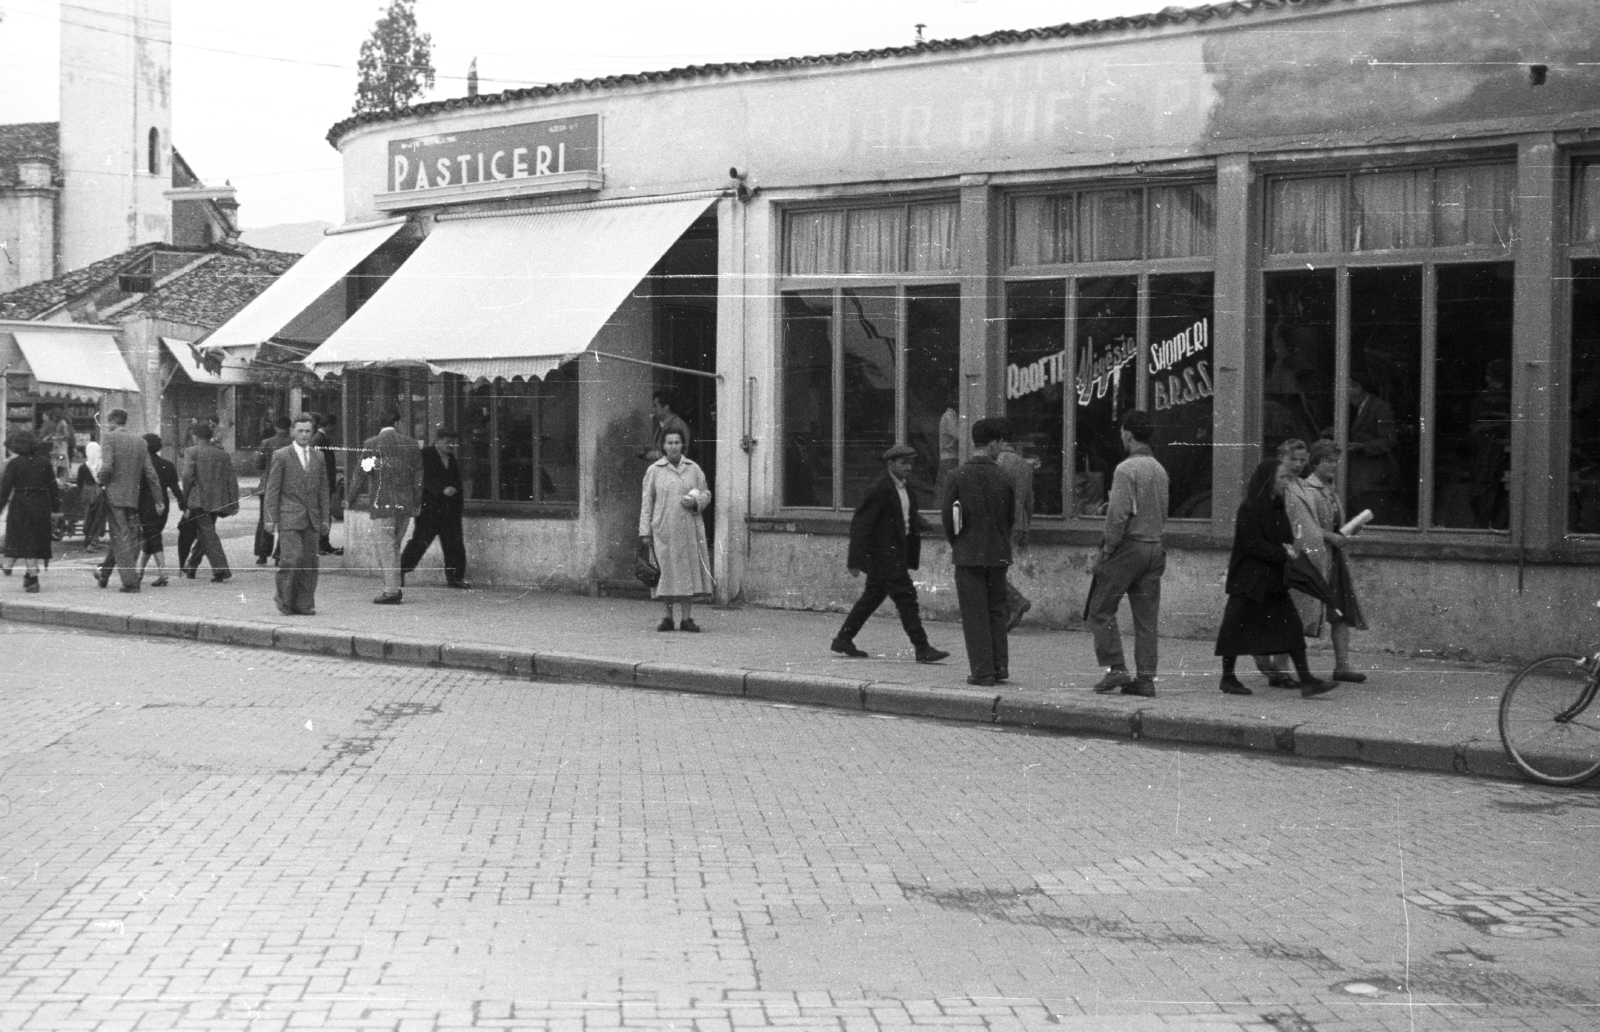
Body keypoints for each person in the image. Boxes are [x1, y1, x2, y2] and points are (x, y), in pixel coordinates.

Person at [1214, 458, 1334, 698]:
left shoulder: (1278, 508)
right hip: (1249, 582)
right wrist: (1283, 553)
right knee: (1234, 630)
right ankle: (1228, 678)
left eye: (1287, 478)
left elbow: (1286, 537)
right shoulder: (1249, 507)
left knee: (1292, 629)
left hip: (1273, 582)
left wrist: (1290, 550)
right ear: (1267, 480)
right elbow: (1251, 544)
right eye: (1281, 478)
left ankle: (1307, 680)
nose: (1285, 483)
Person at [829, 444, 950, 664]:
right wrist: (854, 560)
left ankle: (843, 639)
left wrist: (920, 524)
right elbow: (861, 526)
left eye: (911, 463)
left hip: (896, 553)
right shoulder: (878, 489)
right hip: (883, 555)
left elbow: (904, 515)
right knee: (907, 598)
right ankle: (922, 648)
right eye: (903, 463)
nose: (909, 467)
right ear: (890, 464)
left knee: (871, 597)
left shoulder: (905, 488)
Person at [1084, 409, 1170, 697]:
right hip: (1154, 547)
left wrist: (1106, 551)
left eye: (1122, 433)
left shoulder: (1125, 469)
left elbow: (1118, 517)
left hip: (1129, 547)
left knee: (1100, 609)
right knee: (1146, 620)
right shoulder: (1159, 469)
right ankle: (1145, 680)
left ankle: (1115, 668)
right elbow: (1158, 510)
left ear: (1128, 435)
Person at [941, 416, 1015, 687]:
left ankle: (982, 671)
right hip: (998, 553)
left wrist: (959, 543)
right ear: (993, 443)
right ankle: (1000, 666)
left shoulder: (957, 475)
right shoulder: (1005, 476)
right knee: (996, 610)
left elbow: (948, 519)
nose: (1002, 448)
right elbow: (1010, 519)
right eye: (1001, 443)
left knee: (974, 614)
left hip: (968, 553)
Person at [1290, 439, 1368, 683]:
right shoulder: (1307, 490)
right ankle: (1283, 669)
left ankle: (1342, 666)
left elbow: (1332, 523)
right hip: (1314, 558)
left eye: (1336, 461)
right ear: (1315, 463)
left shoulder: (1330, 490)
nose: (1334, 466)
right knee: (1301, 612)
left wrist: (1347, 530)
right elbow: (1305, 526)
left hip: (1334, 558)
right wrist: (1331, 536)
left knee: (1340, 611)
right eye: (1328, 461)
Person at [639, 428, 712, 631]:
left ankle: (686, 618)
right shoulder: (654, 470)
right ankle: (667, 617)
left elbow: (706, 493)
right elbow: (647, 502)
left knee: (686, 572)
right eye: (669, 443)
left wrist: (696, 500)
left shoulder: (693, 469)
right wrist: (645, 531)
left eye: (677, 442)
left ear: (683, 445)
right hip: (663, 529)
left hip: (688, 528)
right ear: (663, 446)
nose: (673, 446)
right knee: (666, 573)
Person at [348, 407, 422, 605]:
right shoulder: (411, 444)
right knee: (395, 545)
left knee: (386, 547)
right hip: (405, 504)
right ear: (397, 423)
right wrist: (416, 501)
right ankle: (394, 587)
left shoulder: (372, 444)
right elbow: (418, 476)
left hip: (383, 504)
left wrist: (350, 498)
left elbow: (361, 473)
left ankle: (391, 590)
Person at [1254, 438, 1309, 688]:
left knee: (1290, 615)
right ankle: (1264, 657)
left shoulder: (1304, 486)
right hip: (1275, 556)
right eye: (1292, 459)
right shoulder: (1273, 485)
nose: (1298, 464)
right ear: (1281, 458)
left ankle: (1281, 668)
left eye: (1302, 459)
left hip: (1296, 557)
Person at [262, 414, 330, 617]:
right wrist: (269, 518)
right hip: (289, 516)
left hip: (312, 517)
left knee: (310, 562)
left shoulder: (319, 456)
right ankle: (284, 600)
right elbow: (272, 489)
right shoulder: (281, 455)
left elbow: (323, 490)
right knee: (292, 558)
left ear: (313, 432)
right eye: (300, 430)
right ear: (292, 431)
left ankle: (305, 602)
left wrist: (325, 517)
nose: (304, 435)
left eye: (308, 431)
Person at [93, 408, 161, 593]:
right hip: (133, 496)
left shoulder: (109, 438)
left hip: (114, 495)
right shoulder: (140, 441)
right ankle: (105, 572)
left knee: (120, 537)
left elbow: (107, 466)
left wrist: (100, 480)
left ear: (114, 421)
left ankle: (130, 582)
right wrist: (158, 499)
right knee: (130, 537)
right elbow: (150, 473)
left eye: (109, 421)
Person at [400, 427, 470, 589]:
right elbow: (422, 478)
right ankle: (400, 571)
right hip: (429, 509)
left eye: (452, 443)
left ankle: (455, 577)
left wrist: (458, 504)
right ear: (438, 441)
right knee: (419, 542)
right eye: (447, 442)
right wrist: (441, 489)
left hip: (450, 511)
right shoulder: (425, 455)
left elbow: (457, 481)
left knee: (454, 544)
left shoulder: (451, 458)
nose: (450, 445)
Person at [179, 421, 241, 582]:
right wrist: (234, 502)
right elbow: (232, 481)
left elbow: (187, 477)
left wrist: (184, 499)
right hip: (218, 500)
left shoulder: (192, 452)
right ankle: (192, 566)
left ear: (195, 436)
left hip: (199, 500)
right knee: (206, 531)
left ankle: (221, 570)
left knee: (207, 533)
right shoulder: (223, 454)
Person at [0, 429, 59, 592]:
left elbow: (5, 490)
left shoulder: (15, 464)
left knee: (24, 540)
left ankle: (33, 578)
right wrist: (56, 510)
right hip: (41, 504)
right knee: (34, 539)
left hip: (21, 504)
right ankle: (28, 575)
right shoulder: (44, 462)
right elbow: (53, 488)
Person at [125, 433, 183, 587]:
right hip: (162, 505)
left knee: (153, 537)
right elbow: (176, 488)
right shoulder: (168, 464)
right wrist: (183, 505)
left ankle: (163, 573)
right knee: (151, 537)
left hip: (145, 505)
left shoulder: (141, 465)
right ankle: (139, 572)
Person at [994, 421, 1035, 630]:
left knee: (992, 569)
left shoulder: (996, 461)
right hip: (1018, 520)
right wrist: (1026, 526)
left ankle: (1016, 602)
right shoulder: (1024, 464)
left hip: (999, 521)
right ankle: (1007, 614)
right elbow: (1029, 500)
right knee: (1000, 567)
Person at [1347, 376, 1401, 525]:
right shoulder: (1360, 408)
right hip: (1363, 478)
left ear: (1357, 387)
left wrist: (1363, 447)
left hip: (1373, 479)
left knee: (1372, 519)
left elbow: (1389, 440)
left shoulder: (1379, 407)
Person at [254, 417, 292, 566]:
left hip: (268, 486)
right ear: (289, 428)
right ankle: (279, 554)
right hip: (287, 487)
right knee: (285, 520)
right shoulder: (292, 444)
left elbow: (258, 463)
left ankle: (262, 554)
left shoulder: (267, 443)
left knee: (266, 519)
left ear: (276, 427)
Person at [312, 412, 345, 554]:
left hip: (325, 482)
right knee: (322, 514)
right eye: (334, 426)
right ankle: (320, 544)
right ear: (329, 425)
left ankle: (324, 543)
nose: (335, 430)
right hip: (322, 483)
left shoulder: (322, 438)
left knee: (324, 514)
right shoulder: (319, 439)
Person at [643, 390, 692, 462]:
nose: (653, 410)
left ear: (666, 407)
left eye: (655, 406)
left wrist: (655, 454)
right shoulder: (661, 426)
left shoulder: (678, 425)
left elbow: (679, 454)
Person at [78, 442, 107, 549]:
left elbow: (79, 482)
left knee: (88, 516)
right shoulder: (102, 465)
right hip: (100, 492)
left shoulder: (83, 467)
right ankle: (94, 541)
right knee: (99, 517)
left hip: (87, 493)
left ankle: (88, 539)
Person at [40, 407, 73, 479]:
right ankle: (55, 478)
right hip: (56, 445)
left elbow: (67, 436)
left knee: (62, 461)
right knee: (55, 462)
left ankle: (68, 476)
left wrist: (57, 438)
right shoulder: (55, 422)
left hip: (62, 446)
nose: (53, 417)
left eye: (54, 416)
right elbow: (52, 432)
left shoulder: (63, 423)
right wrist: (48, 437)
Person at [936, 402, 960, 496]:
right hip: (950, 458)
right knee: (948, 493)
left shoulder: (952, 415)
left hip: (951, 458)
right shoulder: (950, 416)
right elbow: (959, 435)